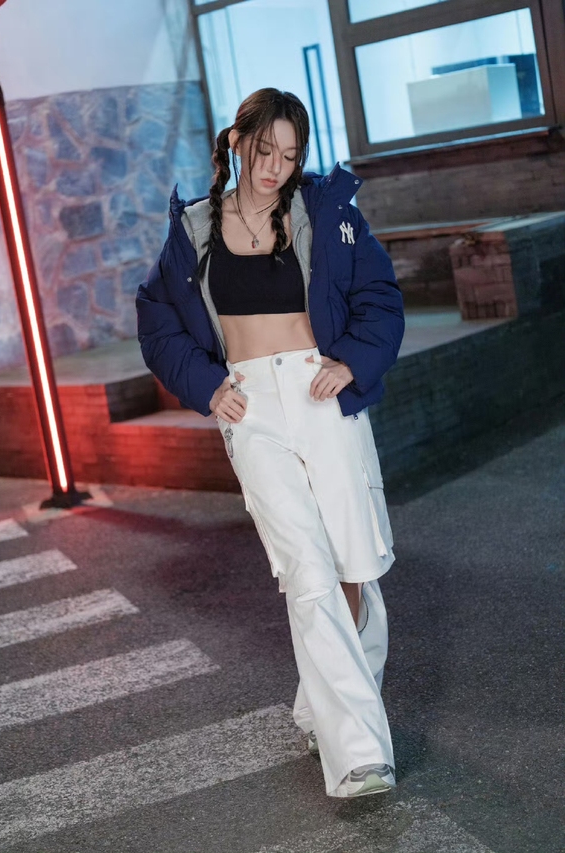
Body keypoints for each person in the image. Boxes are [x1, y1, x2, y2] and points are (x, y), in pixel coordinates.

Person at [136, 88, 405, 799]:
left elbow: (380, 297)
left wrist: (352, 362)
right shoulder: (194, 228)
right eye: (264, 150)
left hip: (322, 393)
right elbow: (157, 321)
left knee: (352, 568)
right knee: (307, 569)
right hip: (251, 405)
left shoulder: (326, 211)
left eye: (289, 155)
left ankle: (321, 706)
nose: (274, 167)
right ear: (237, 141)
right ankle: (360, 754)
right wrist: (206, 385)